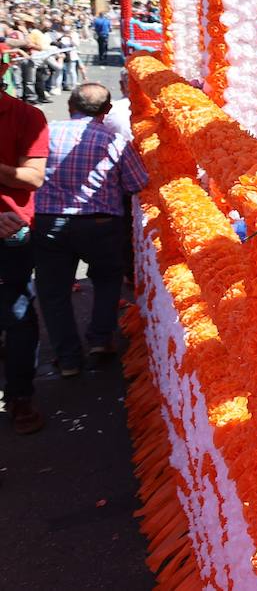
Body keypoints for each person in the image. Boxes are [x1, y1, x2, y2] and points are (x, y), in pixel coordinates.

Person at [32, 84, 148, 376]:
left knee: (53, 292)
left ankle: (68, 358)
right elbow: (136, 183)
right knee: (107, 280)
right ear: (107, 111)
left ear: (71, 104)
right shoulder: (113, 139)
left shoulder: (46, 133)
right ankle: (99, 339)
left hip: (49, 221)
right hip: (100, 223)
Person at [0, 91, 49, 433]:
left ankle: (20, 397)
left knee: (16, 316)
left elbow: (33, 178)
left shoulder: (25, 115)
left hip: (10, 236)